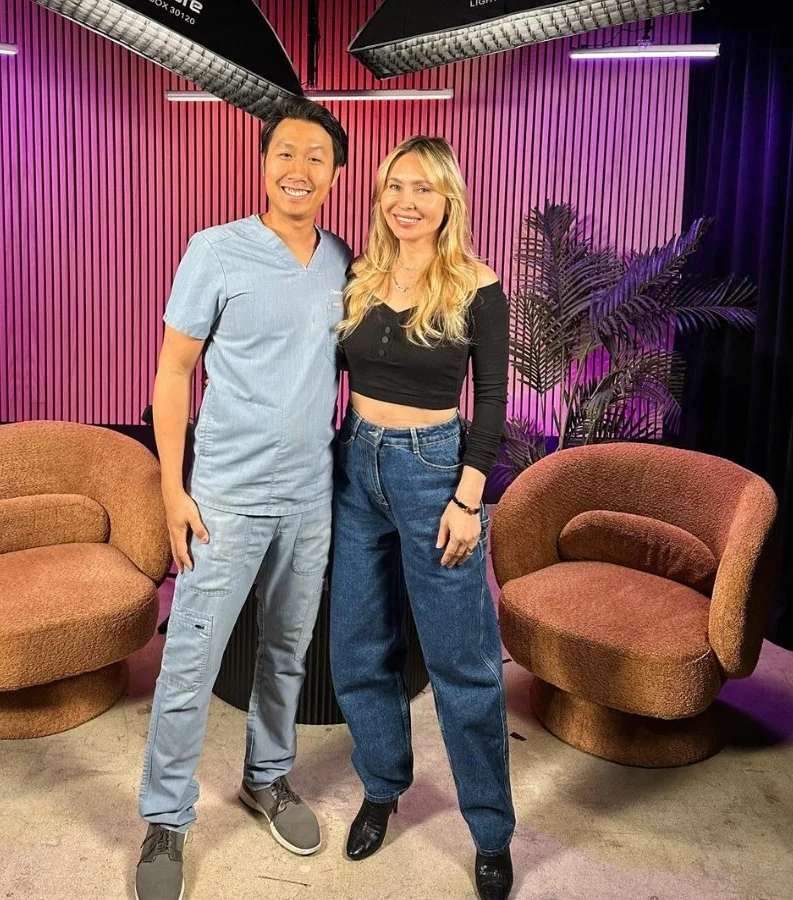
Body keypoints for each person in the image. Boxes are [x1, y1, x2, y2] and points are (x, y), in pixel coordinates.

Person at [135, 97, 351, 900]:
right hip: (224, 494)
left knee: (287, 651)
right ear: (263, 164)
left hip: (310, 494)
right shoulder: (215, 251)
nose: (299, 169)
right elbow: (170, 372)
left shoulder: (342, 260)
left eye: (316, 157)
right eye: (286, 153)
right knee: (190, 663)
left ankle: (267, 778)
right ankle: (166, 820)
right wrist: (172, 488)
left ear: (335, 173)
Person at [330, 136, 516, 900]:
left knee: (461, 664)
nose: (406, 200)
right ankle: (382, 785)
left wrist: (470, 497)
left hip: (435, 471)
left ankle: (491, 833)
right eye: (394, 186)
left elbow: (495, 401)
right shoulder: (359, 275)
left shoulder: (478, 285)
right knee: (357, 647)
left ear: (449, 201)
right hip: (354, 465)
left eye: (424, 188)